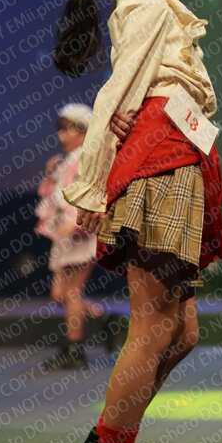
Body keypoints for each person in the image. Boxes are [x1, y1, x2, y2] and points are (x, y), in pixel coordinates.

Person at [50, 0, 222, 443]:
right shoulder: (149, 6)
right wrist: (93, 183)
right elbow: (113, 98)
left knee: (181, 330)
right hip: (160, 161)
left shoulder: (150, 2)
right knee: (155, 327)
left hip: (177, 153)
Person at [35, 103, 131, 371]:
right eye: (61, 130)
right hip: (66, 236)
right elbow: (55, 197)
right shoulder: (67, 161)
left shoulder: (86, 159)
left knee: (72, 293)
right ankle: (107, 320)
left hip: (79, 233)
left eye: (69, 129)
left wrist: (72, 222)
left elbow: (88, 194)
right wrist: (50, 176)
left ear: (85, 130)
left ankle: (74, 350)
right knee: (59, 294)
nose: (62, 135)